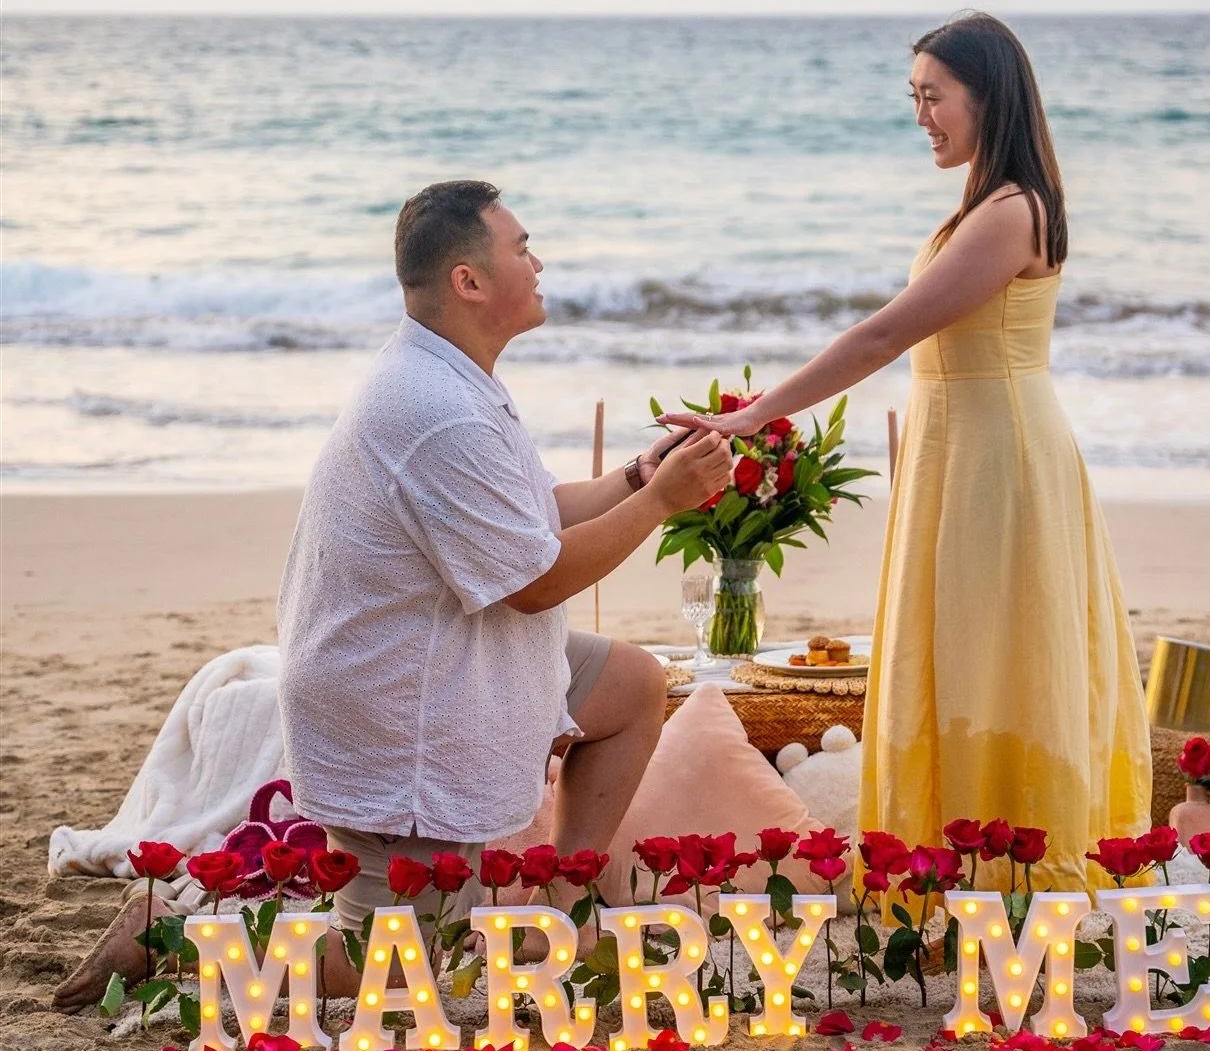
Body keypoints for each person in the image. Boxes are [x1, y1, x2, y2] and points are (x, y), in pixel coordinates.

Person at [54, 179, 731, 1008]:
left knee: (627, 683)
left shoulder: (450, 375)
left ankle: (558, 909)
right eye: (521, 248)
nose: (538, 262)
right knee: (393, 967)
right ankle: (172, 931)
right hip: (393, 703)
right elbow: (535, 582)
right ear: (467, 280)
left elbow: (529, 517)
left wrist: (634, 477)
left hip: (437, 659)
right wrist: (661, 502)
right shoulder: (435, 408)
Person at [663, 14, 1150, 893]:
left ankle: (1006, 869)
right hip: (958, 445)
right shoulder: (983, 205)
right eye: (913, 96)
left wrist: (756, 416)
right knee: (957, 647)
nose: (920, 115)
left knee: (994, 652)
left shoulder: (1011, 211)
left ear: (986, 97)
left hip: (996, 456)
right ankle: (951, 858)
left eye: (934, 96)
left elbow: (882, 335)